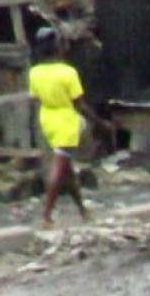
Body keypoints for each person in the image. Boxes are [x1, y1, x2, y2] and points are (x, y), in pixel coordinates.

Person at [28, 27, 112, 229]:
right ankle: (46, 216)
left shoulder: (35, 72)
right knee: (58, 167)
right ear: (57, 46)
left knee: (68, 170)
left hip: (47, 119)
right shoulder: (67, 72)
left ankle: (82, 210)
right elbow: (79, 105)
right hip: (66, 120)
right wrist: (100, 123)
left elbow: (35, 98)